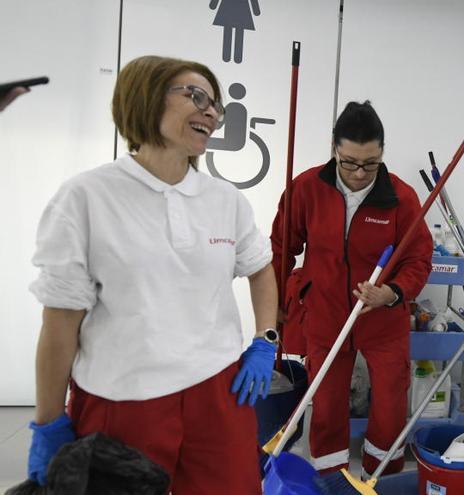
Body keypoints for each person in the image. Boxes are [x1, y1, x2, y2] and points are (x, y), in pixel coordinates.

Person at [26, 55, 277, 494]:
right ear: (145, 99)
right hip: (123, 399)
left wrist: (265, 339)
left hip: (218, 393)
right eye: (195, 96)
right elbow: (60, 323)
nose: (212, 112)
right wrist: (48, 421)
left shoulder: (224, 200)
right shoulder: (87, 197)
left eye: (215, 104)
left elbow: (260, 268)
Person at [270, 101, 433, 477]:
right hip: (325, 312)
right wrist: (278, 303)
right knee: (325, 406)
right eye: (350, 162)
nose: (360, 173)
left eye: (370, 163)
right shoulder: (307, 188)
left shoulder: (401, 198)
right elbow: (281, 248)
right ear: (334, 149)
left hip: (381, 318)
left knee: (390, 402)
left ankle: (379, 478)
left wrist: (392, 292)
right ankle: (331, 480)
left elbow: (418, 260)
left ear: (382, 153)